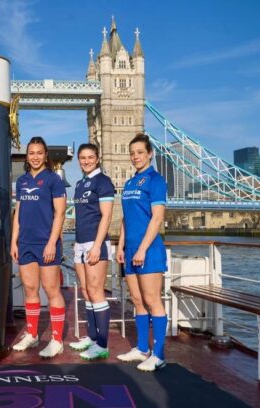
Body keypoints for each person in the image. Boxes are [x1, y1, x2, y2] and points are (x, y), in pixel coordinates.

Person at [116, 133, 168, 372]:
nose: (136, 156)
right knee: (137, 300)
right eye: (132, 153)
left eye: (140, 152)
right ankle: (141, 348)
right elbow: (126, 219)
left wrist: (142, 249)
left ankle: (158, 354)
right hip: (130, 250)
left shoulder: (155, 180)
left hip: (149, 250)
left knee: (152, 300)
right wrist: (121, 246)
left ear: (150, 153)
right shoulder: (129, 183)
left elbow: (157, 218)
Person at [11, 136, 67, 358]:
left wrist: (52, 242)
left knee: (52, 290)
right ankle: (32, 334)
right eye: (31, 153)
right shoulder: (22, 181)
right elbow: (18, 213)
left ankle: (56, 339)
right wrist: (14, 241)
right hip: (25, 243)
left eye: (39, 153)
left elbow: (60, 213)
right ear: (27, 156)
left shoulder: (54, 180)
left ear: (46, 155)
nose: (35, 157)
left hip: (46, 243)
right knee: (30, 290)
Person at [68, 143, 115, 360]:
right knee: (86, 290)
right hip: (79, 243)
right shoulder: (79, 184)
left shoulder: (103, 182)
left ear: (97, 158)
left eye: (90, 157)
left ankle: (102, 344)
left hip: (95, 243)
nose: (86, 161)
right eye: (82, 158)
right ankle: (92, 337)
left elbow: (106, 216)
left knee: (96, 292)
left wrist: (96, 245)